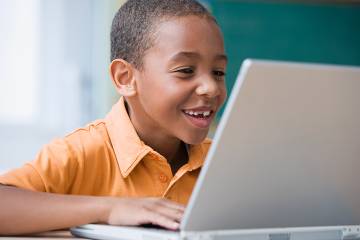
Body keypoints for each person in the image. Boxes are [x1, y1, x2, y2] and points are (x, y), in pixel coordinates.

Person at [0, 0, 227, 235]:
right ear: (125, 78)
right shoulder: (80, 152)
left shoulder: (224, 163)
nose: (211, 88)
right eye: (185, 70)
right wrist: (110, 208)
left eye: (218, 72)